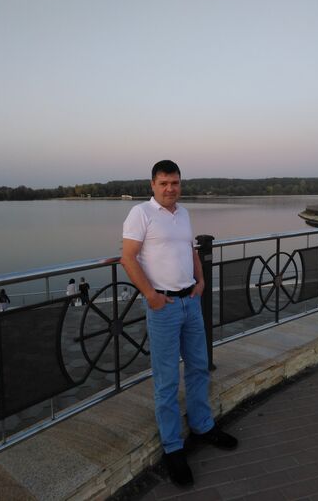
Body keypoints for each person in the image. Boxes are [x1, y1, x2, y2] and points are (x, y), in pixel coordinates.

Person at [121, 160, 237, 486]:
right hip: (165, 307)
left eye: (175, 183)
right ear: (152, 185)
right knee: (167, 379)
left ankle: (203, 426)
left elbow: (191, 250)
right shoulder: (141, 214)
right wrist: (151, 296)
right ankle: (173, 447)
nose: (170, 188)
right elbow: (128, 257)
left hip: (191, 302)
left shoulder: (183, 214)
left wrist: (200, 281)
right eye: (164, 183)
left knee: (199, 366)